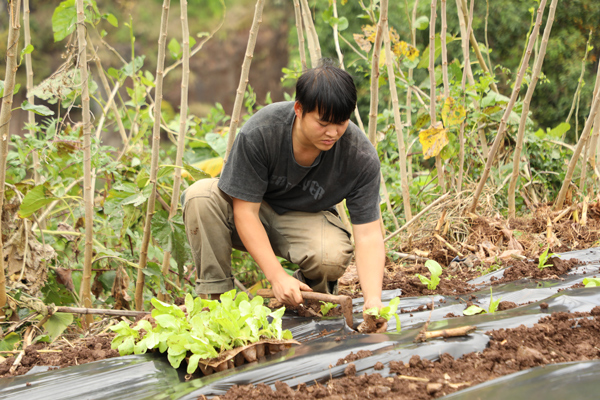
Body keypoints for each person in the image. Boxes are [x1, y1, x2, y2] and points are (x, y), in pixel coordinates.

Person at [183, 59, 385, 316]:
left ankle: (310, 299)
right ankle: (215, 303)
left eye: (341, 123)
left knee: (331, 255)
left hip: (304, 220)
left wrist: (373, 301)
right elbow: (245, 213)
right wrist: (276, 276)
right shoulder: (262, 132)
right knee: (199, 196)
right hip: (250, 210)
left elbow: (368, 235)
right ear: (299, 109)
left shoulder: (360, 157)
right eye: (323, 123)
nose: (333, 133)